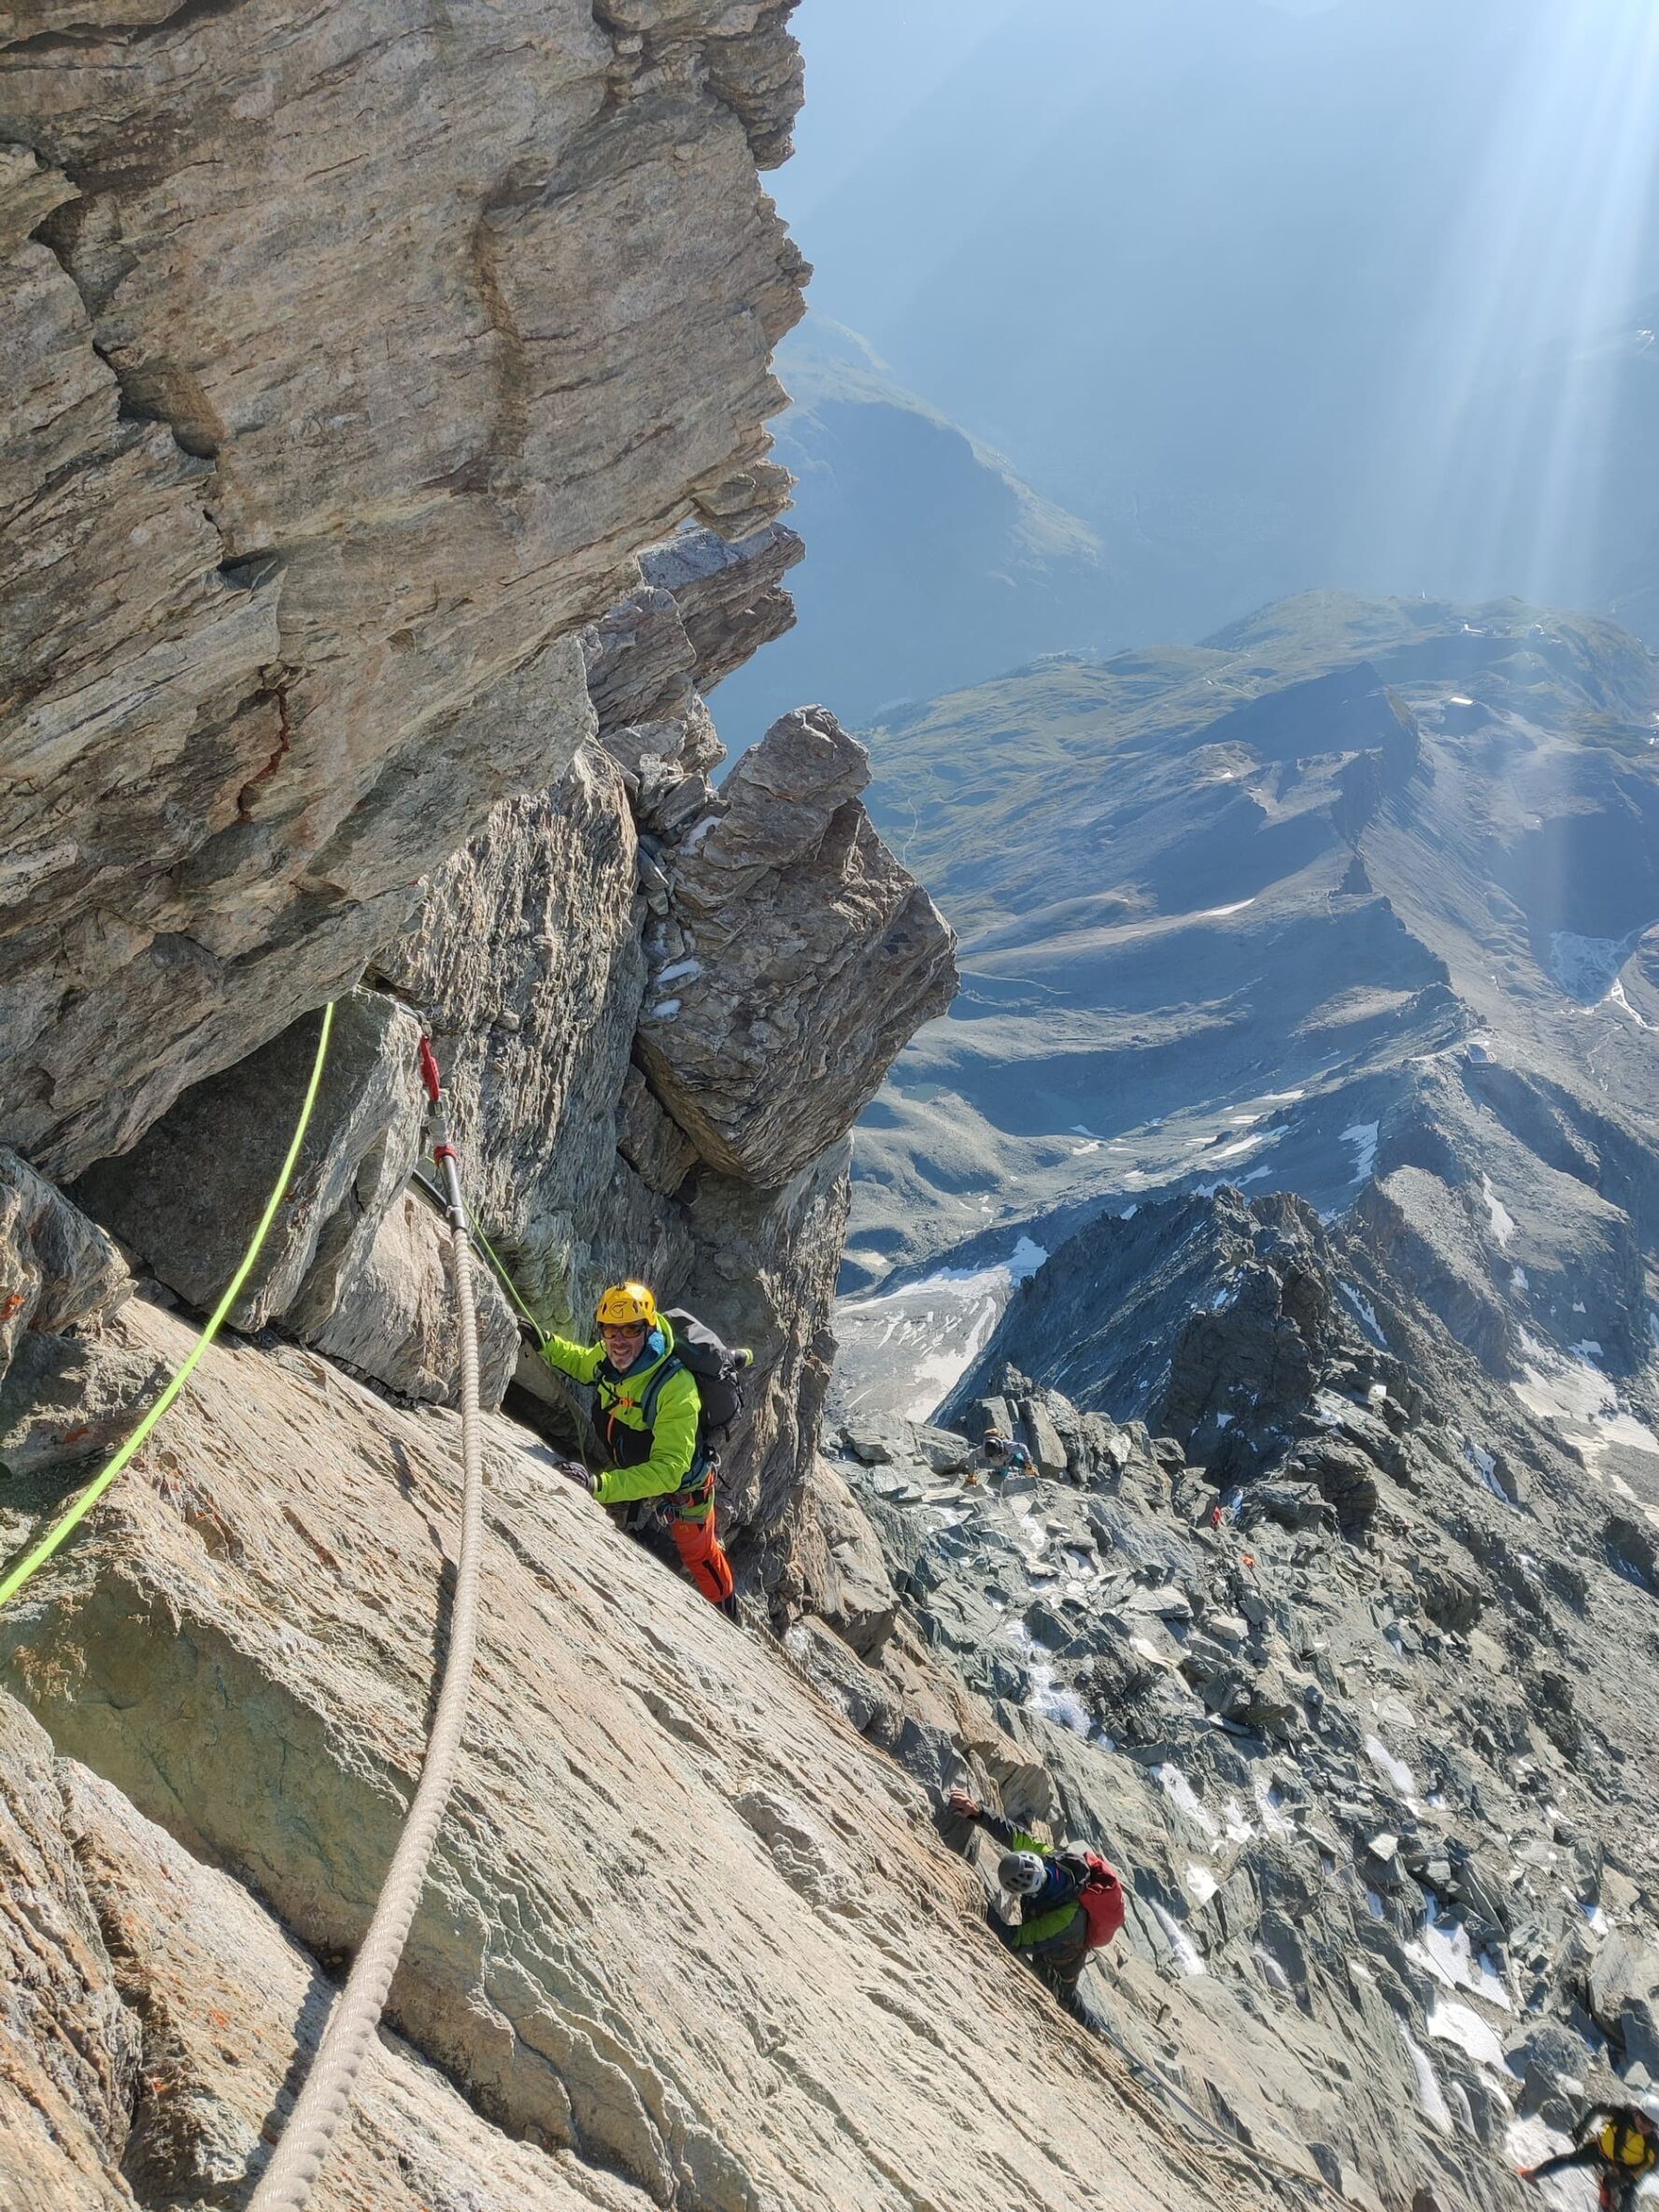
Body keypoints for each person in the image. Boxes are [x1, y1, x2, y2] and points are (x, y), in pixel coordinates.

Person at [537, 1281, 738, 1618]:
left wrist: (600, 1486)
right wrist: (545, 1344)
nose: (618, 1341)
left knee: (699, 1555)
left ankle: (730, 1614)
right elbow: (583, 1364)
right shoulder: (609, 1353)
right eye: (610, 1330)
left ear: (648, 1329)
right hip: (633, 1455)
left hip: (685, 1487)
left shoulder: (676, 1388)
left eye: (630, 1329)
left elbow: (669, 1471)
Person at [944, 1785, 1125, 2024]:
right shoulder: (1053, 1860)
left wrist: (979, 1902)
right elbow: (1015, 1836)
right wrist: (978, 1813)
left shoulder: (1064, 1919)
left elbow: (1015, 1938)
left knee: (1063, 1994)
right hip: (1054, 1925)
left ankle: (1093, 2027)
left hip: (1065, 1955)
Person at [1521, 2101, 1659, 2209]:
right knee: (1572, 2160)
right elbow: (1598, 2108)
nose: (1646, 2126)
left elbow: (1649, 2166)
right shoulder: (1622, 2113)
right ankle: (1533, 2174)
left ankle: (1606, 2186)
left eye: (1651, 2125)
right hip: (1601, 2149)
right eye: (1644, 2119)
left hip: (1623, 2166)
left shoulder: (1653, 2141)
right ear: (1637, 2112)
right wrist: (1580, 2130)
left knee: (1625, 2192)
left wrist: (1628, 2174)